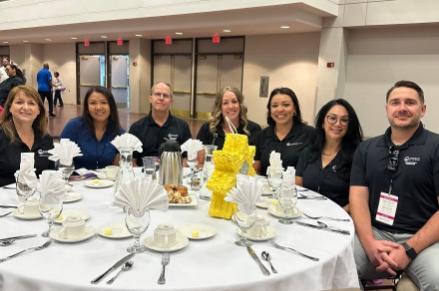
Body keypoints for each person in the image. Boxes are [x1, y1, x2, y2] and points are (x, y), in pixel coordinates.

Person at [350, 80, 439, 290]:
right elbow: (358, 199)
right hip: (375, 233)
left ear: (423, 109)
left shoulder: (436, 147)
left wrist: (409, 250)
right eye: (395, 102)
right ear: (386, 109)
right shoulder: (366, 148)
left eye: (410, 102)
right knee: (339, 266)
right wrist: (370, 244)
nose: (402, 108)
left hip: (424, 239)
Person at [296, 99, 363, 210]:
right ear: (322, 122)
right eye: (332, 118)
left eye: (344, 120)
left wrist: (336, 216)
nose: (337, 124)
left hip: (338, 220)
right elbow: (297, 188)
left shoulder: (357, 156)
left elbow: (358, 199)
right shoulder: (308, 152)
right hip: (304, 214)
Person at [0, 85, 54, 187]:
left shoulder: (46, 139)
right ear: (10, 108)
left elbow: (51, 173)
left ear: (38, 110)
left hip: (38, 199)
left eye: (31, 103)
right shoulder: (1, 136)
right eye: (19, 102)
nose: (25, 107)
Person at [253, 87, 315, 175]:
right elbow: (256, 169)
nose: (280, 109)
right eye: (274, 106)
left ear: (295, 109)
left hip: (298, 187)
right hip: (267, 187)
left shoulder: (310, 134)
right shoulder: (261, 136)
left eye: (286, 105)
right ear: (270, 110)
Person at [61, 86, 124, 170]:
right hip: (76, 181)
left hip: (106, 182)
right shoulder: (73, 127)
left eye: (103, 102)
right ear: (87, 108)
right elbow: (61, 162)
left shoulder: (119, 133)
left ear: (111, 106)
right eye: (93, 103)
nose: (98, 107)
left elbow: (118, 168)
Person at [129, 81, 192, 165]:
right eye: (157, 94)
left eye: (165, 95)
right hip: (145, 176)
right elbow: (132, 161)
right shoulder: (136, 128)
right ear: (150, 99)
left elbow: (186, 158)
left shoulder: (183, 127)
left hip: (173, 175)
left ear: (171, 101)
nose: (161, 98)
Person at [196, 86, 261, 149]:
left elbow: (257, 158)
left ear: (240, 105)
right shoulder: (207, 129)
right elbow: (197, 155)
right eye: (225, 103)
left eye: (234, 101)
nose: (231, 106)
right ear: (220, 107)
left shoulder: (253, 130)